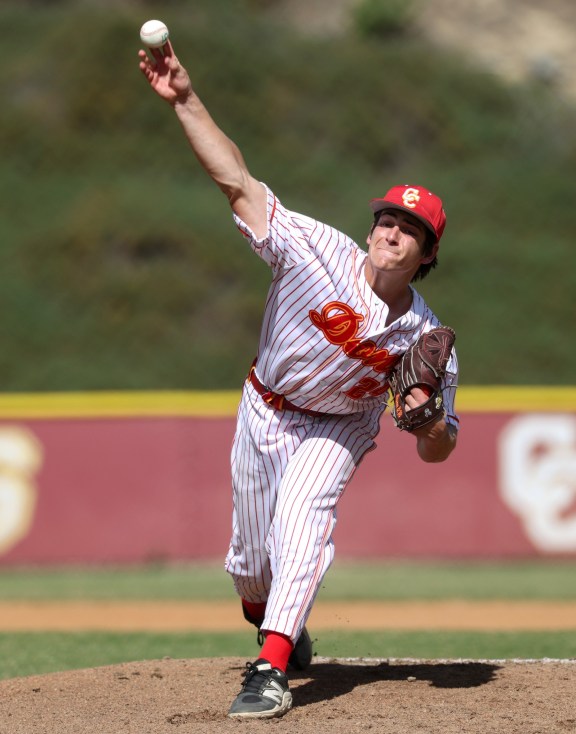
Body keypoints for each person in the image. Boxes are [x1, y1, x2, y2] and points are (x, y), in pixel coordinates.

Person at [139, 39, 459, 721]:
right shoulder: (313, 248)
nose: (390, 231)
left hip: (337, 427)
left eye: (409, 228)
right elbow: (238, 182)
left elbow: (439, 447)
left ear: (427, 253)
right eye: (386, 218)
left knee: (303, 519)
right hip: (264, 406)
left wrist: (429, 419)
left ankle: (271, 666)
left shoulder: (424, 339)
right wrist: (186, 100)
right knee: (251, 565)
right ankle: (271, 618)